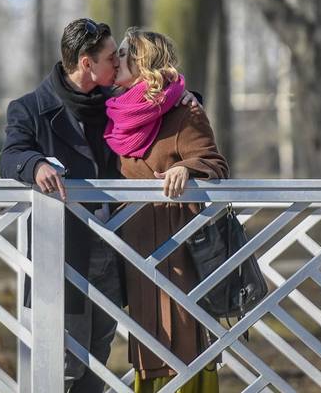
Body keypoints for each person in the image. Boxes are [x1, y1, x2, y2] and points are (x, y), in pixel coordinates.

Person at [0, 18, 197, 392]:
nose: (118, 62)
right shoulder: (29, 108)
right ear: (86, 63)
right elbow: (10, 156)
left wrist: (188, 97)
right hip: (61, 252)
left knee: (98, 363)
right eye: (110, 58)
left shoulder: (116, 102)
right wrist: (34, 164)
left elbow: (160, 101)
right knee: (63, 366)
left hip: (113, 247)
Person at [104, 27, 228, 393]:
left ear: (142, 62)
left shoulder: (185, 111)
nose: (116, 60)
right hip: (135, 244)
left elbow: (215, 163)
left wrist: (185, 168)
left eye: (123, 54)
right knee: (147, 339)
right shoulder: (115, 112)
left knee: (184, 337)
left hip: (178, 244)